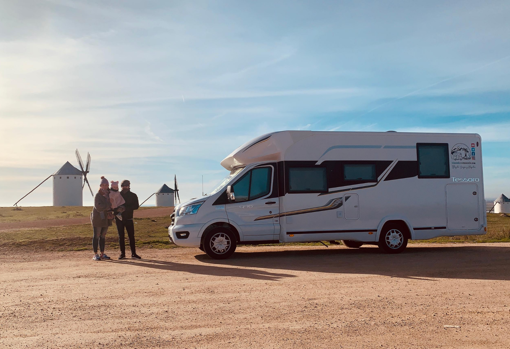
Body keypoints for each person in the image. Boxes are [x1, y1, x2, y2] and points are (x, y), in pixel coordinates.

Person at [116, 179, 141, 259]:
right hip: (119, 219)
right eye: (124, 186)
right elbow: (113, 205)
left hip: (129, 218)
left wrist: (125, 208)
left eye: (127, 185)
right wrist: (118, 209)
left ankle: (133, 253)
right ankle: (122, 254)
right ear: (121, 186)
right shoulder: (117, 195)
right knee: (121, 236)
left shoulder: (133, 195)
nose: (125, 187)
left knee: (131, 236)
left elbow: (136, 206)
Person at [91, 176, 113, 261]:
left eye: (106, 185)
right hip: (98, 218)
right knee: (96, 235)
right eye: (103, 185)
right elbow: (98, 206)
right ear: (100, 185)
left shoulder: (109, 194)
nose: (104, 186)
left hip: (106, 218)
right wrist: (109, 205)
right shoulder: (98, 195)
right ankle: (95, 254)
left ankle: (102, 253)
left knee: (103, 236)